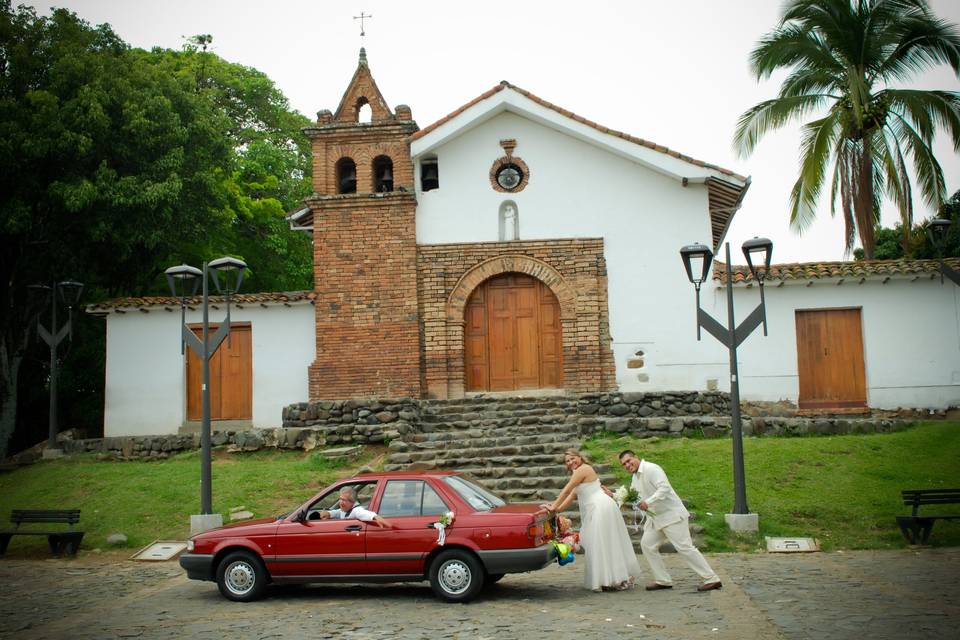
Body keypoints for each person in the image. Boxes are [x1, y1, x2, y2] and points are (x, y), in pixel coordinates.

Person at [618, 450, 722, 592]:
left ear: (636, 457)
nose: (627, 465)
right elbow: (634, 498)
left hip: (672, 515)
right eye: (624, 464)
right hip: (657, 519)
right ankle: (663, 580)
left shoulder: (651, 468)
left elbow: (664, 488)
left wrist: (648, 502)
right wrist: (612, 494)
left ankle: (712, 578)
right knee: (647, 545)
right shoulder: (634, 479)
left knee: (685, 547)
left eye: (629, 461)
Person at [540, 450, 642, 592]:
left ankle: (616, 578)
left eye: (572, 458)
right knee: (599, 543)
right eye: (567, 461)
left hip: (602, 507)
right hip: (598, 509)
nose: (570, 462)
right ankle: (608, 578)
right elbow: (568, 500)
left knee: (604, 542)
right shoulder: (578, 478)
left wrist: (553, 506)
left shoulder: (583, 469)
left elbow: (565, 490)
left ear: (579, 457)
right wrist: (554, 509)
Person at [318, 486, 393, 528]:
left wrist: (376, 517)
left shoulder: (356, 510)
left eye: (343, 500)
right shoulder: (346, 509)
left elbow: (364, 513)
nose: (340, 502)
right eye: (340, 499)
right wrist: (328, 513)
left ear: (352, 502)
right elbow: (338, 512)